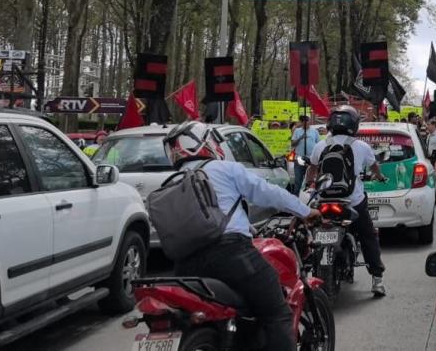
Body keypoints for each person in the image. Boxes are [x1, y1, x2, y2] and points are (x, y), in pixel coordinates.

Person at [163, 122, 321, 351]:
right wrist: (306, 212)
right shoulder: (224, 169)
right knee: (277, 313)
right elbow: (269, 193)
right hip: (231, 256)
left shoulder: (173, 181)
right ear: (204, 143)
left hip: (184, 267)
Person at [305, 105, 390, 297]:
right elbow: (374, 168)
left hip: (323, 201)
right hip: (352, 202)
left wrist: (310, 183)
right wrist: (380, 177)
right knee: (368, 235)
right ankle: (377, 279)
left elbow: (312, 169)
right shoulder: (362, 147)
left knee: (309, 232)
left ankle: (305, 271)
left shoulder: (320, 146)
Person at [290, 115, 319, 192]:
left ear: (309, 121)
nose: (306, 122)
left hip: (310, 159)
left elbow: (318, 143)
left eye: (307, 120)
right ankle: (296, 195)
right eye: (303, 121)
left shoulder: (315, 131)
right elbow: (292, 144)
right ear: (301, 122)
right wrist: (300, 138)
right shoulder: (297, 131)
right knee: (298, 180)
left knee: (310, 180)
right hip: (299, 158)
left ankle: (308, 195)